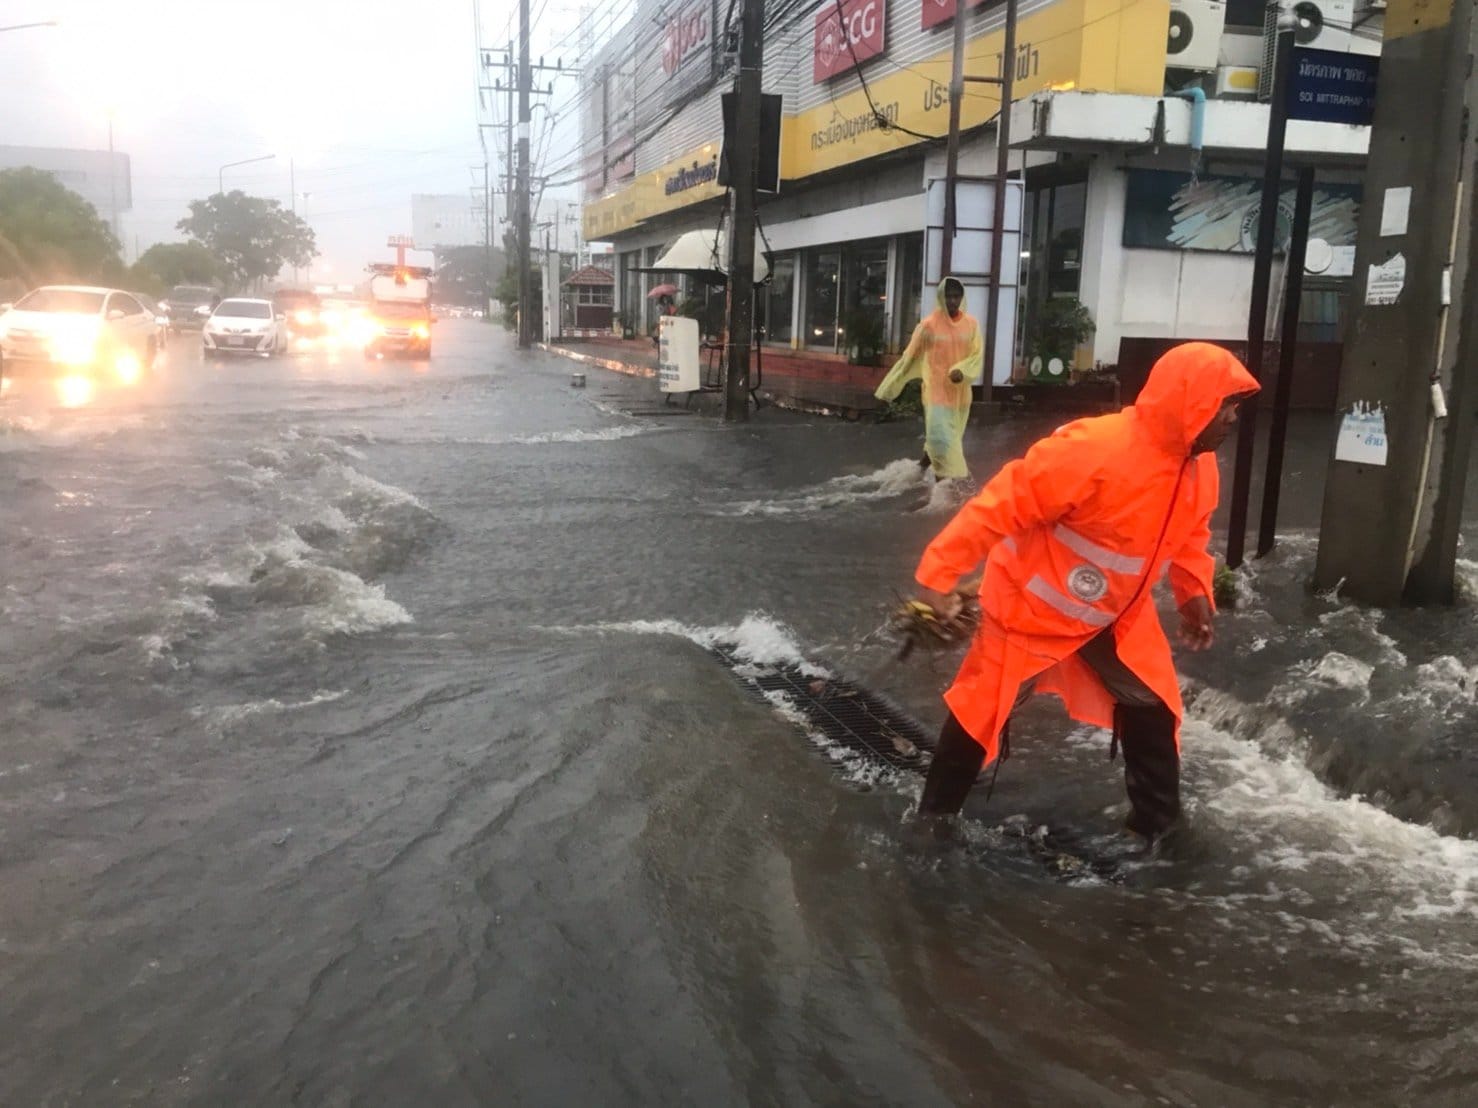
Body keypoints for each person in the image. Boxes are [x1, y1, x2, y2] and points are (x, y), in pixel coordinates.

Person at [907, 342, 1260, 843]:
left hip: (1117, 618)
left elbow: (1190, 536)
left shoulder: (1199, 469)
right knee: (981, 709)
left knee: (1153, 707)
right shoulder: (1093, 448)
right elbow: (1002, 504)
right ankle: (933, 822)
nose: (1231, 418)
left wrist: (1192, 592)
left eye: (1236, 407)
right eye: (1224, 405)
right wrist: (940, 573)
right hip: (1033, 609)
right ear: (1190, 403)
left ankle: (1157, 829)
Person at [874, 276, 982, 480]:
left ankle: (920, 468)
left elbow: (976, 356)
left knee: (947, 438)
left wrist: (962, 371)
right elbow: (908, 358)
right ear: (941, 297)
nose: (952, 301)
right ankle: (941, 489)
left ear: (962, 297)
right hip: (936, 392)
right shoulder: (928, 326)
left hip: (960, 395)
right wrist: (888, 388)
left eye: (956, 296)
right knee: (942, 440)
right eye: (948, 296)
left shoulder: (972, 325)